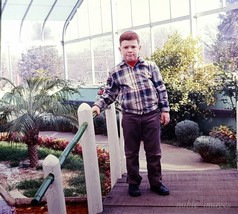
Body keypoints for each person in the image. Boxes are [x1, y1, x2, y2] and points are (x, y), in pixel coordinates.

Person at [92, 30, 170, 197]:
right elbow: (109, 94)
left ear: (139, 47)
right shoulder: (115, 72)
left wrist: (165, 110)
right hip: (130, 117)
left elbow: (161, 89)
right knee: (131, 152)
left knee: (154, 152)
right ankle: (133, 183)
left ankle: (156, 183)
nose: (130, 50)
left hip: (151, 116)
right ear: (120, 49)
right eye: (126, 47)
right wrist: (98, 106)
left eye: (133, 46)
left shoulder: (151, 67)